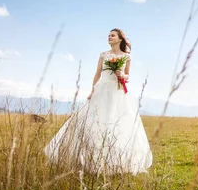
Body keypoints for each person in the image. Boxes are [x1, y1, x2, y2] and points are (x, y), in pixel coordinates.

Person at [44, 28, 153, 175]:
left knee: (119, 123)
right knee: (96, 121)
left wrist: (122, 75)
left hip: (118, 91)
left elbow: (128, 76)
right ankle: (90, 158)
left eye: (112, 35)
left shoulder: (127, 57)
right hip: (102, 89)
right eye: (108, 35)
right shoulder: (103, 55)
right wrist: (92, 90)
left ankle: (118, 162)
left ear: (120, 39)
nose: (109, 37)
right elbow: (97, 74)